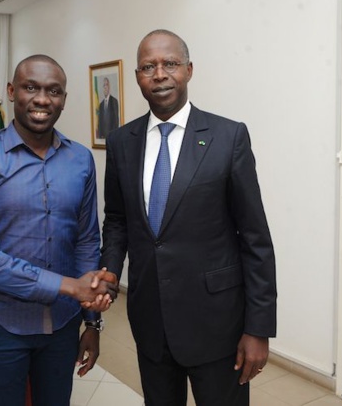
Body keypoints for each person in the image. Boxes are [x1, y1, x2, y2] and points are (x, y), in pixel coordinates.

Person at [99, 30, 277, 406]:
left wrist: (258, 328)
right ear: (137, 77)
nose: (159, 74)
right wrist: (110, 271)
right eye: (148, 66)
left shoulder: (228, 137)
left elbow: (254, 236)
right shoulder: (120, 142)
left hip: (217, 325)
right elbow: (116, 219)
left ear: (189, 70)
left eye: (170, 64)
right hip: (150, 322)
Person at [0, 54, 118, 406]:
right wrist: (69, 287)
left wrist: (91, 322)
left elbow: (87, 240)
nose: (42, 99)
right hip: (1, 324)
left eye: (53, 91)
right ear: (12, 92)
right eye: (31, 88)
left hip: (62, 326)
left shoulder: (80, 159)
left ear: (63, 99)